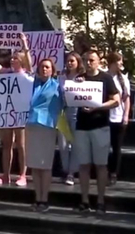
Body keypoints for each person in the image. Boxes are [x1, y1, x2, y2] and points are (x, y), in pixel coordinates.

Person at [73, 50, 120, 214]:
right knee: (83, 165)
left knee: (101, 165)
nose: (88, 63)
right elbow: (71, 98)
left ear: (99, 61)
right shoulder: (80, 78)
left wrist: (98, 106)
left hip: (100, 126)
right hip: (82, 127)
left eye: (91, 60)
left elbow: (116, 100)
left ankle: (100, 200)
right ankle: (84, 200)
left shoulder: (106, 78)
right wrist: (76, 86)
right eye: (85, 60)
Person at [0, 34, 31, 186]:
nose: (12, 60)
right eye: (12, 58)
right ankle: (5, 174)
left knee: (21, 144)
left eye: (15, 58)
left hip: (20, 112)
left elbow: (29, 59)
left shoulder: (26, 74)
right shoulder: (6, 72)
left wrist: (24, 43)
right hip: (7, 112)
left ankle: (22, 175)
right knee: (7, 144)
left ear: (21, 61)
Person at [26, 58, 64, 212]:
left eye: (47, 67)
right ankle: (37, 197)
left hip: (48, 126)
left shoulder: (58, 86)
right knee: (35, 165)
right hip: (32, 125)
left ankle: (44, 199)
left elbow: (70, 98)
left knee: (45, 165)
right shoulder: (31, 84)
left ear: (52, 70)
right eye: (42, 67)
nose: (44, 69)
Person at [58, 52, 83, 186]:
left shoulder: (82, 78)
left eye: (72, 61)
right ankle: (65, 168)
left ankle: (71, 173)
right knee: (62, 145)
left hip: (76, 112)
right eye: (68, 61)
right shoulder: (61, 77)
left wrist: (82, 84)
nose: (70, 63)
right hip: (62, 112)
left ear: (78, 63)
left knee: (75, 145)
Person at [106, 52, 131, 186]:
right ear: (113, 63)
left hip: (118, 116)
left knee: (117, 147)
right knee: (104, 147)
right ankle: (103, 172)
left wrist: (126, 115)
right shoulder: (104, 76)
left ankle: (113, 173)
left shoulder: (123, 79)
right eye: (119, 61)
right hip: (104, 117)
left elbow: (126, 99)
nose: (121, 64)